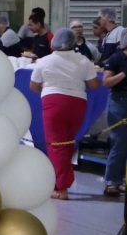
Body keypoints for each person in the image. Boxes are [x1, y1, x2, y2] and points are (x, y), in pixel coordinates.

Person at [29, 28, 101, 199]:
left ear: (54, 44)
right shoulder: (84, 60)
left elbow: (33, 86)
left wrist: (48, 88)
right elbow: (94, 85)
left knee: (56, 145)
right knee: (67, 143)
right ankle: (65, 180)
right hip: (77, 103)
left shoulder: (44, 61)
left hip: (53, 102)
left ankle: (60, 187)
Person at [101, 27, 127, 197]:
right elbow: (107, 82)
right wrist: (123, 74)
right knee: (120, 141)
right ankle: (112, 180)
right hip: (120, 102)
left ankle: (125, 179)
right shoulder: (117, 58)